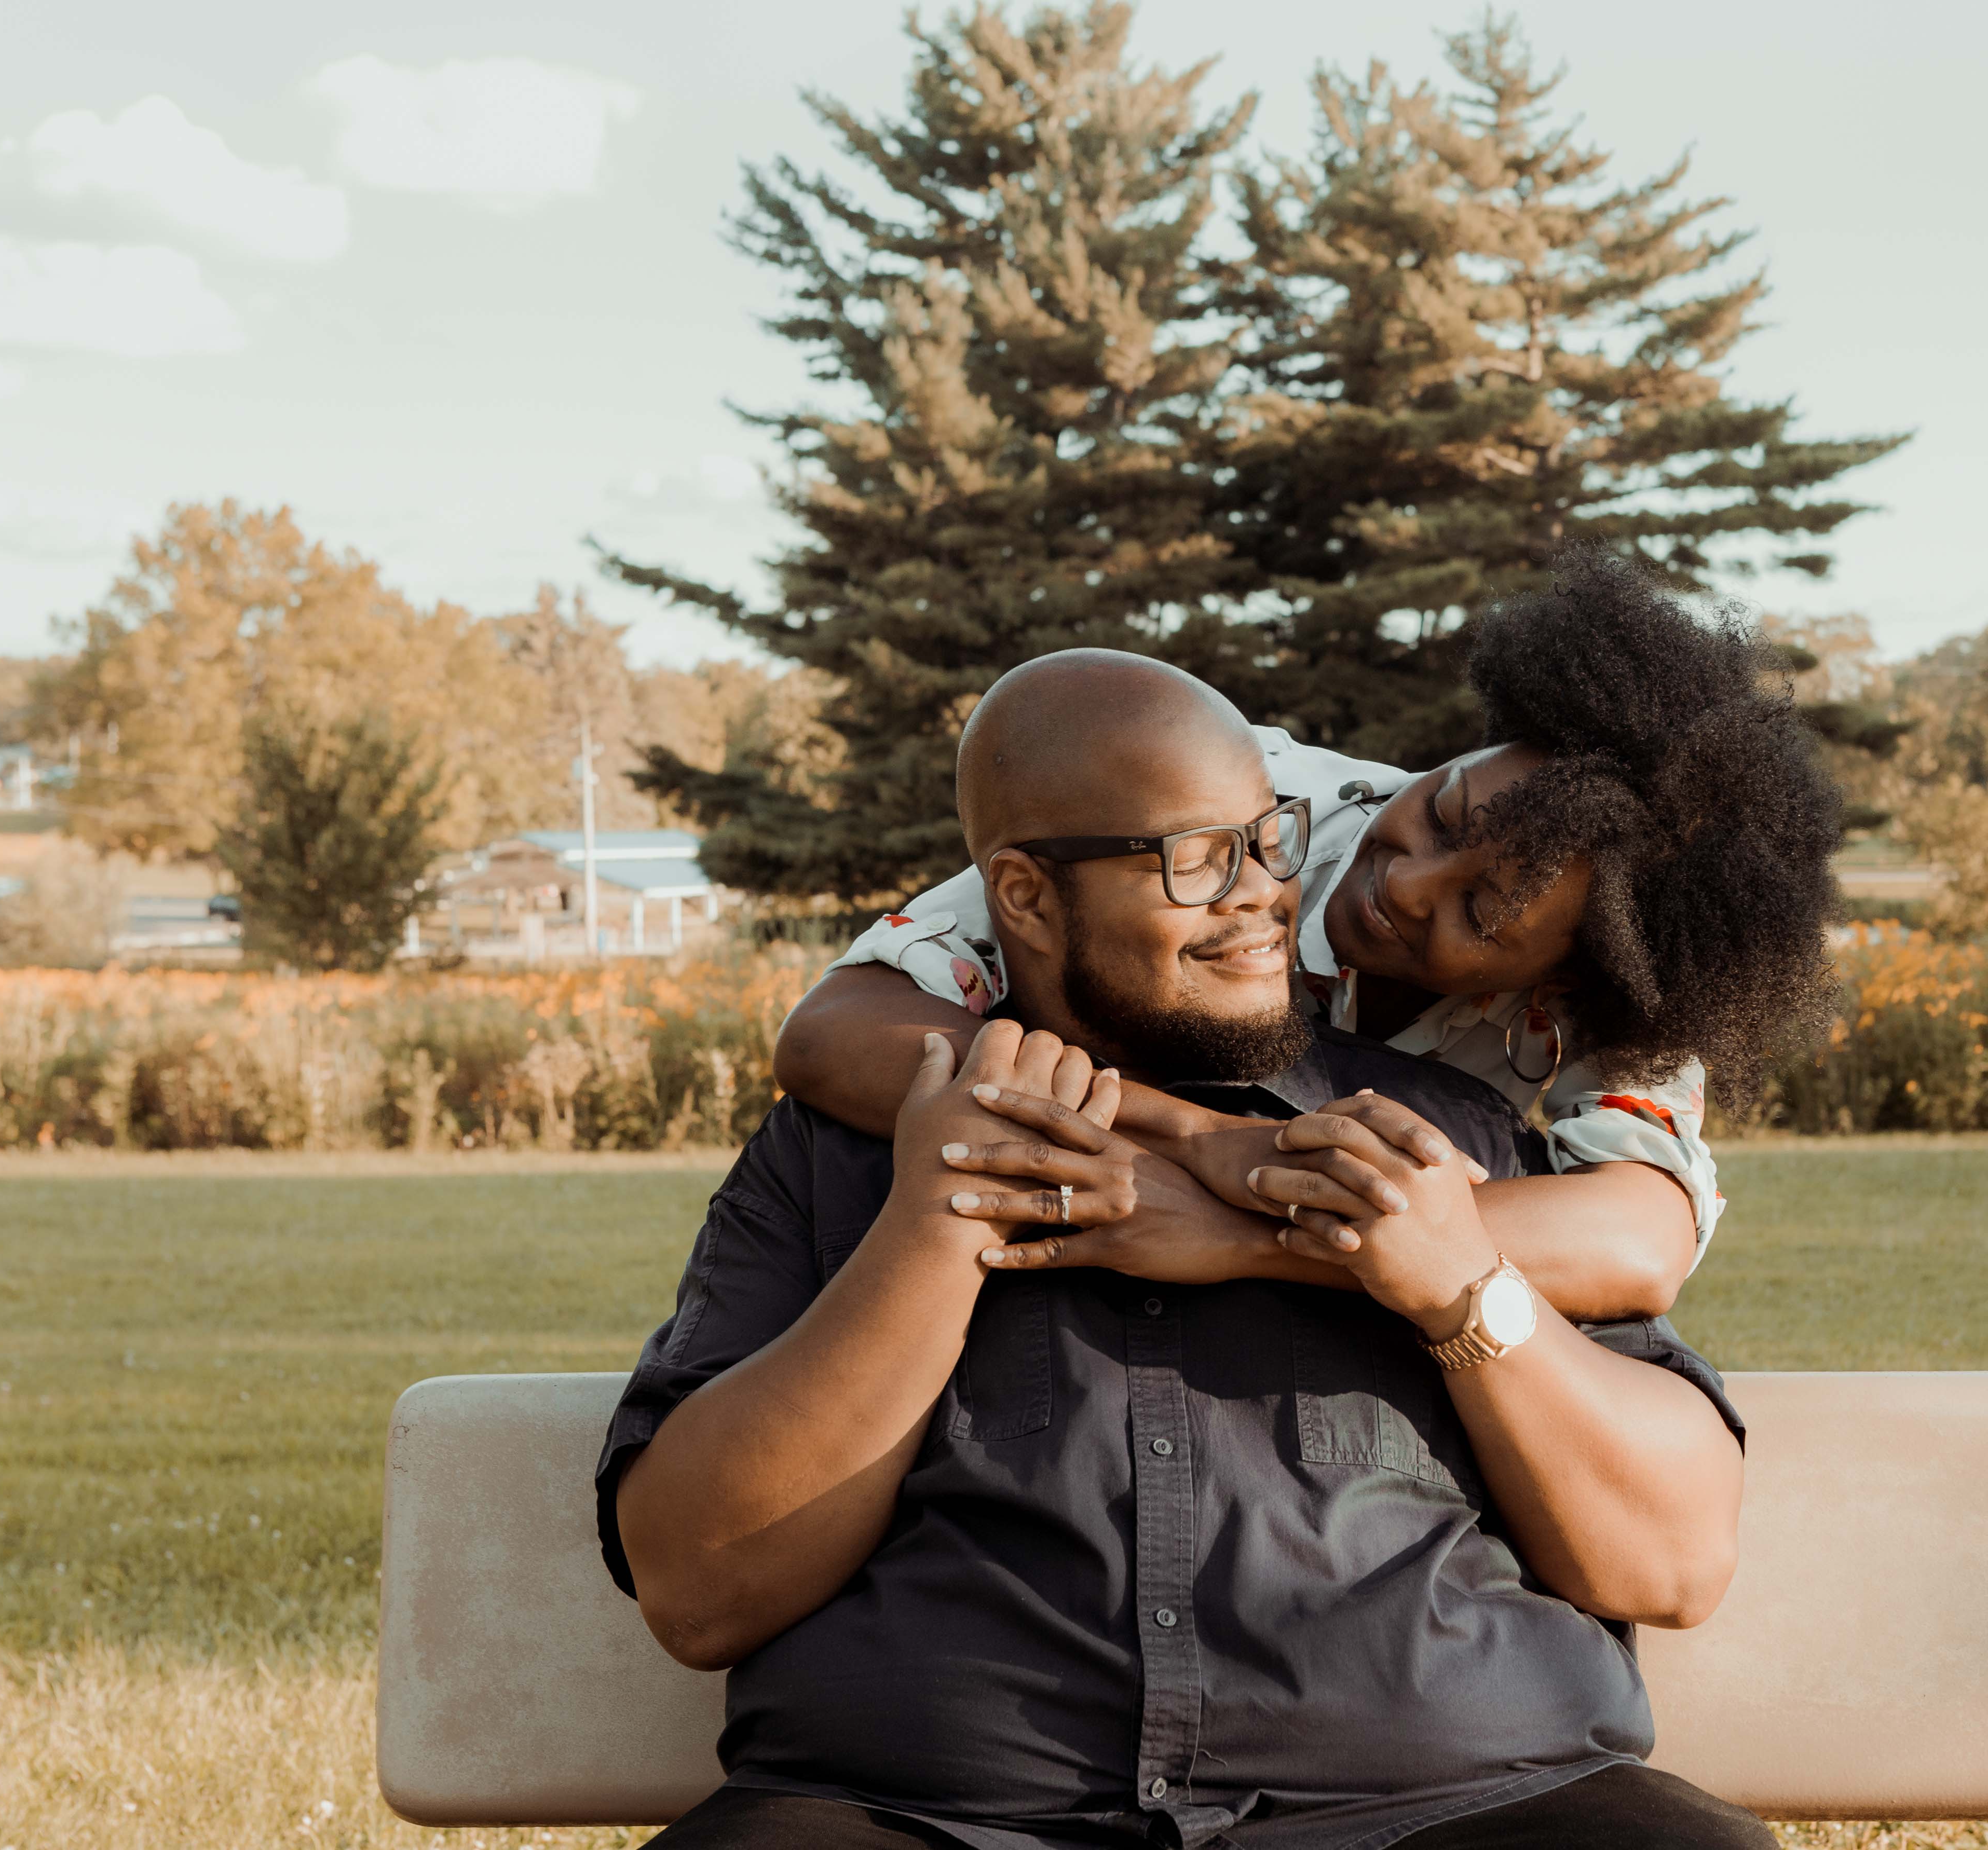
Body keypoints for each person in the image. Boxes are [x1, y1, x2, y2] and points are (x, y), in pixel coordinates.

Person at [600, 654, 1769, 1849]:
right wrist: (952, 1207)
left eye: (1267, 846)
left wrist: (1440, 1277)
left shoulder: (1460, 1137)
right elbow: (698, 1590)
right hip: (935, 1819)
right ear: (1026, 896)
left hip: (1456, 1808)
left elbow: (1672, 1547)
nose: (1274, 891)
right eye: (1203, 858)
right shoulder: (848, 1145)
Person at [774, 549, 1843, 1323]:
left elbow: (1636, 1243)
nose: (1406, 879)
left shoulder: (1618, 996)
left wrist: (1251, 1237)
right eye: (1444, 810)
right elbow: (839, 1031)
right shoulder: (1246, 802)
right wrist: (1201, 1142)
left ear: (1555, 981)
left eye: (1482, 911)